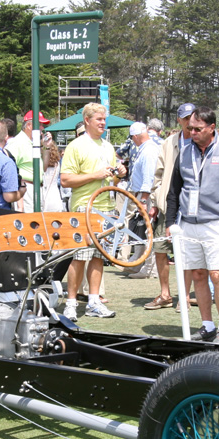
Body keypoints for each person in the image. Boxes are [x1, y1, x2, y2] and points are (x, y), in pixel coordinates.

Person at [165, 106, 219, 345]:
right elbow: (174, 191)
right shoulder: (185, 151)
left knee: (217, 274)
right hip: (188, 223)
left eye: (198, 129)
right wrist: (170, 222)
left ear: (211, 128)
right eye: (190, 128)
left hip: (217, 222)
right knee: (198, 274)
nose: (192, 132)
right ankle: (207, 325)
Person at [60, 103, 127, 319]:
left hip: (106, 208)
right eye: (98, 119)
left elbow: (112, 176)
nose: (102, 123)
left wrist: (120, 173)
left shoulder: (107, 146)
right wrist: (95, 175)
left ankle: (94, 301)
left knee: (99, 256)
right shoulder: (76, 146)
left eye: (104, 119)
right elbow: (65, 180)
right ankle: (71, 303)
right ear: (87, 121)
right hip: (83, 208)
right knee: (79, 256)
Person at [144, 103, 194, 310]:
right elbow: (158, 174)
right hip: (167, 206)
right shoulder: (169, 142)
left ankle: (184, 296)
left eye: (192, 117)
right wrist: (155, 202)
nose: (189, 122)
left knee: (188, 253)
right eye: (185, 118)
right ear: (179, 120)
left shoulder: (204, 140)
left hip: (192, 207)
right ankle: (165, 294)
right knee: (161, 249)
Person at [123, 122, 160, 274]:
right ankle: (141, 262)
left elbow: (149, 178)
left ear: (136, 136)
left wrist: (143, 199)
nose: (132, 140)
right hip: (142, 194)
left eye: (132, 138)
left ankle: (150, 268)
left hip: (147, 195)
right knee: (141, 229)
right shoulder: (145, 149)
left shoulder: (148, 151)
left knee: (148, 230)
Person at [6, 110, 50, 212]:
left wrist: (46, 147)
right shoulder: (17, 143)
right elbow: (9, 170)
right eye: (40, 124)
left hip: (35, 189)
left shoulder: (32, 143)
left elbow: (44, 168)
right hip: (26, 190)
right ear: (29, 125)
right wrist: (19, 195)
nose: (42, 128)